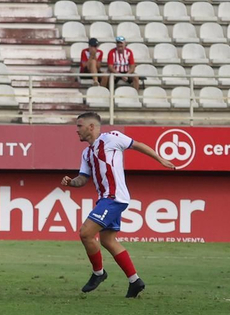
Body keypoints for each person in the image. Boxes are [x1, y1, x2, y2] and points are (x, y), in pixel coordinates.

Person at [61, 111, 176, 297]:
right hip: (106, 199)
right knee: (107, 240)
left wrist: (160, 159)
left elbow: (137, 145)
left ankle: (99, 273)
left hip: (114, 198)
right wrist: (71, 182)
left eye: (79, 126)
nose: (76, 130)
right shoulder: (87, 153)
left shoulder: (111, 138)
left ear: (91, 127)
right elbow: (83, 179)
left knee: (86, 233)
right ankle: (135, 281)